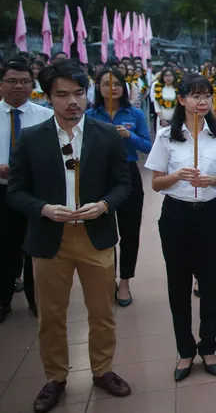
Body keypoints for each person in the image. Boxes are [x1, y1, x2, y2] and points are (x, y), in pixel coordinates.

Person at [7, 61, 133, 411]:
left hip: (95, 235)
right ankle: (55, 378)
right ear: (47, 97)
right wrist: (44, 208)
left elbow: (124, 183)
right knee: (51, 315)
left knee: (102, 313)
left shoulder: (105, 135)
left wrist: (105, 205)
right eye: (62, 95)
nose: (72, 101)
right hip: (49, 239)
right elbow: (15, 191)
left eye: (78, 93)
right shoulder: (32, 139)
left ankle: (103, 370)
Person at [146, 74, 216, 381]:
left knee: (210, 284)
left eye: (207, 96)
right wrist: (178, 176)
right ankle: (185, 351)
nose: (202, 102)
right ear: (182, 100)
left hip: (211, 214)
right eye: (196, 96)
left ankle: (208, 346)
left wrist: (211, 180)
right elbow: (157, 183)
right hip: (177, 215)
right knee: (178, 284)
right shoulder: (166, 136)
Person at [86, 68, 152, 308]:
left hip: (128, 173)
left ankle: (125, 281)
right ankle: (107, 279)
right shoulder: (90, 115)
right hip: (98, 176)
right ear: (98, 87)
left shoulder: (134, 114)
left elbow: (148, 146)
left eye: (117, 84)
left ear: (124, 87)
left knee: (130, 231)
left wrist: (129, 136)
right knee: (103, 229)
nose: (112, 88)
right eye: (106, 84)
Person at [1, 60, 53, 322]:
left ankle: (36, 298)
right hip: (2, 190)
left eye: (24, 81)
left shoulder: (44, 116)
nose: (18, 86)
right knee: (4, 246)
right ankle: (3, 299)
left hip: (34, 192)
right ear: (1, 85)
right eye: (11, 81)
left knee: (34, 246)